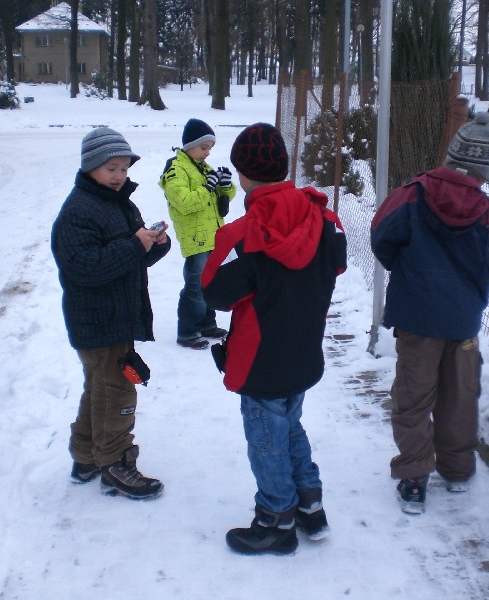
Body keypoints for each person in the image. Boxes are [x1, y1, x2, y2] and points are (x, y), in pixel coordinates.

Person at [201, 123, 347, 555]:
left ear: (243, 176)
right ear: (283, 167)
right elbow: (336, 265)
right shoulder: (325, 220)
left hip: (259, 361)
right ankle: (309, 503)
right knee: (290, 426)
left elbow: (214, 292)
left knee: (266, 440)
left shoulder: (240, 235)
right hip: (303, 352)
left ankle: (276, 517)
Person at [370, 112, 489, 514]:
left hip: (416, 316)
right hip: (462, 321)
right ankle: (458, 469)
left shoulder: (413, 194)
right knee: (460, 395)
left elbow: (382, 236)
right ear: (487, 169)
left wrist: (409, 269)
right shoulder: (485, 213)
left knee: (413, 395)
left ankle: (414, 478)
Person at [52, 126, 170, 501]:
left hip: (115, 316)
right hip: (97, 320)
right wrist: (134, 245)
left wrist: (152, 245)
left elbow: (129, 255)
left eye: (124, 168)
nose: (119, 176)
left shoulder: (116, 201)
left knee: (100, 388)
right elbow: (86, 267)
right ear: (91, 168)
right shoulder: (78, 212)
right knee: (117, 391)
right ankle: (115, 463)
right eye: (111, 168)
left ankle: (86, 457)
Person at [158, 118, 237, 350]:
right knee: (196, 286)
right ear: (190, 144)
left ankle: (207, 324)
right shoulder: (176, 170)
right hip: (195, 239)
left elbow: (222, 197)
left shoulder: (201, 168)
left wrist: (225, 185)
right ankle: (187, 331)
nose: (208, 153)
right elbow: (184, 202)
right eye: (204, 147)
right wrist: (208, 187)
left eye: (210, 148)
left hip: (213, 235)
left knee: (211, 283)